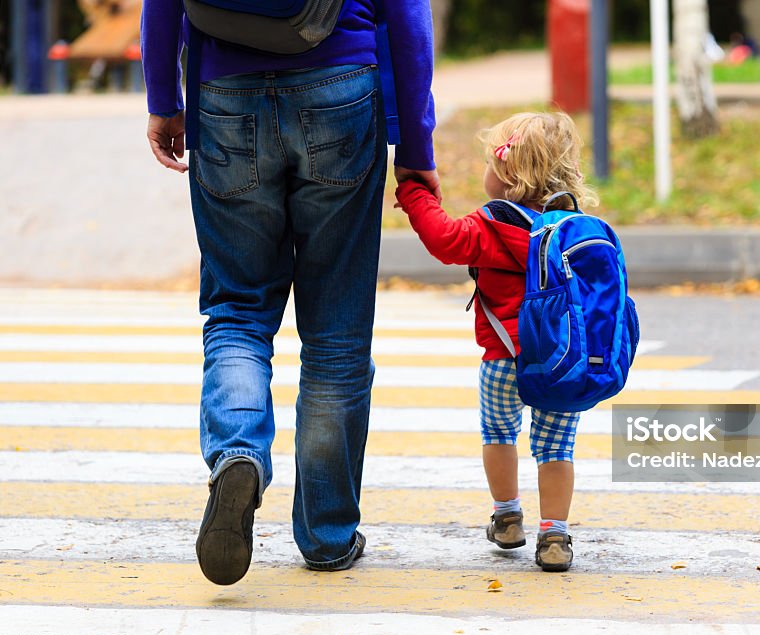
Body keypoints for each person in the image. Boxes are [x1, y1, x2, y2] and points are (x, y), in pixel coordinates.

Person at [141, 0, 438, 585]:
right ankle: (327, 536)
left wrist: (163, 100)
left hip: (223, 91)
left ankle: (238, 454)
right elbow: (408, 16)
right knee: (337, 331)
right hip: (341, 88)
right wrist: (415, 146)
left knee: (237, 310)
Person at [394, 112, 595, 573]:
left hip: (503, 360)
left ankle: (507, 516)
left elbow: (445, 240)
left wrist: (414, 192)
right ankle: (555, 534)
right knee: (557, 448)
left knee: (499, 434)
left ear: (506, 173)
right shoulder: (574, 231)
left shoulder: (495, 225)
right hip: (563, 363)